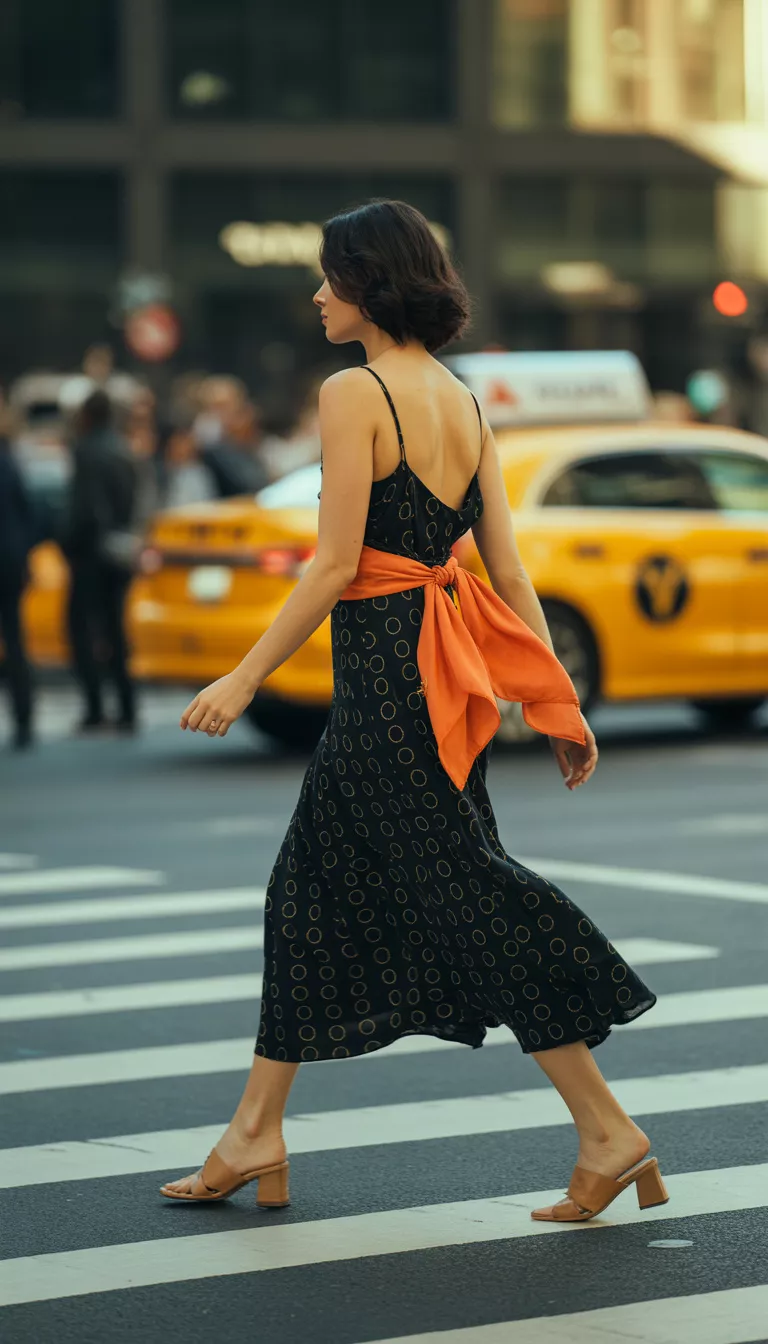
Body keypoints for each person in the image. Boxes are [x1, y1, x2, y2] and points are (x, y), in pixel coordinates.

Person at [161, 200, 663, 1225]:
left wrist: (244, 677)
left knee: (472, 900)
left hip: (394, 686)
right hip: (440, 682)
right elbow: (510, 570)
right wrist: (558, 703)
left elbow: (337, 563)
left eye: (328, 276)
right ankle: (254, 1133)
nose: (316, 295)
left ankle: (608, 1130)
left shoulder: (355, 393)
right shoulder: (464, 401)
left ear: (370, 284)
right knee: (305, 901)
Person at [59, 390, 139, 735]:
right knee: (116, 630)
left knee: (80, 628)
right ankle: (126, 706)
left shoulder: (87, 450)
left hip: (91, 552)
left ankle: (94, 707)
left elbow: (84, 506)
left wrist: (69, 544)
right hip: (120, 551)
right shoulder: (123, 450)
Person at [0, 395, 35, 750]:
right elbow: (28, 512)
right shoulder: (9, 457)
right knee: (15, 640)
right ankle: (24, 720)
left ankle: (24, 720)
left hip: (9, 559)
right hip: (10, 559)